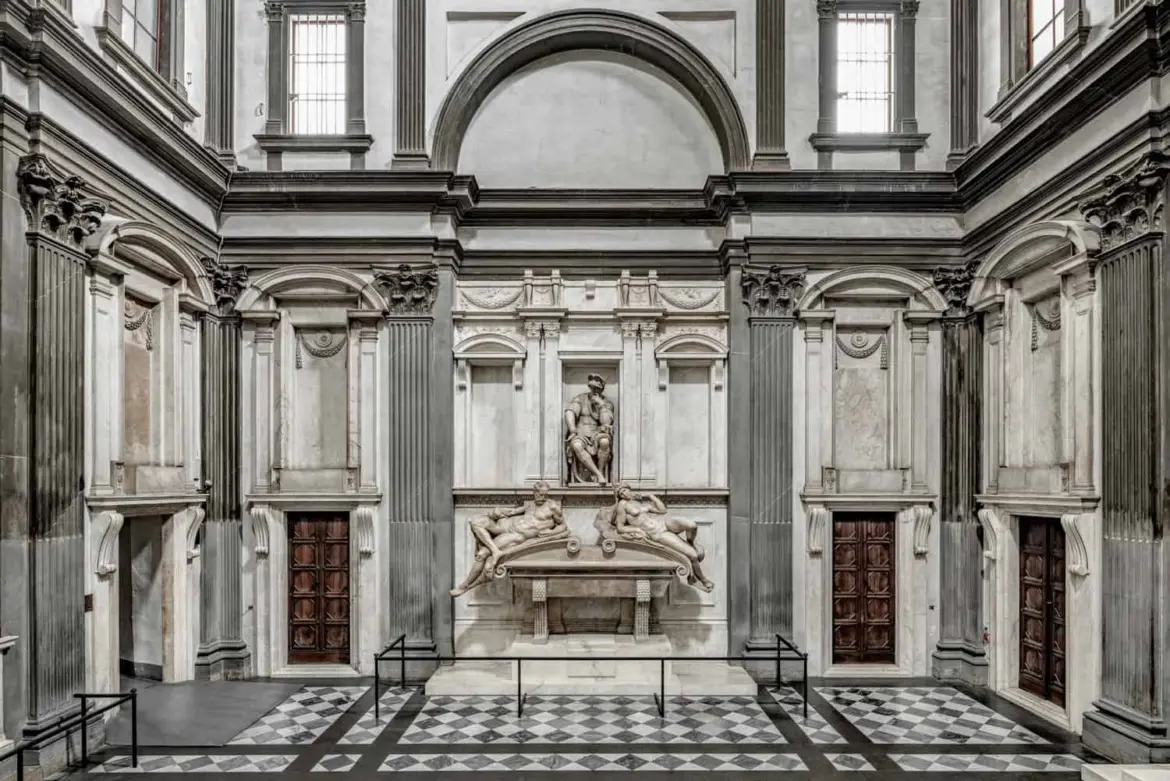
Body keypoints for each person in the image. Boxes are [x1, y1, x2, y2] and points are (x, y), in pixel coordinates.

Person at [450, 481, 567, 596]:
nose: (542, 497)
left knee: (482, 554)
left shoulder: (552, 507)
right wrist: (496, 512)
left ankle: (464, 586)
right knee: (476, 522)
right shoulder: (531, 504)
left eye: (544, 494)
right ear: (534, 492)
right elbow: (512, 512)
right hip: (505, 526)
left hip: (515, 535)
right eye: (539, 494)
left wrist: (551, 532)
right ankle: (495, 551)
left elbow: (564, 526)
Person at [611, 482, 714, 592]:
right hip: (658, 533)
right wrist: (637, 529)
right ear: (619, 496)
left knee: (692, 525)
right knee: (693, 556)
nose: (624, 494)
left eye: (625, 490)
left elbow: (662, 510)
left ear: (629, 489)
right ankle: (702, 579)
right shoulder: (622, 505)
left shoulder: (638, 502)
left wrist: (652, 497)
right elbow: (620, 527)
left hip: (663, 522)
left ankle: (691, 542)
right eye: (621, 493)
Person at [564, 373, 615, 484]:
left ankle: (600, 471)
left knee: (605, 442)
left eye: (597, 388)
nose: (594, 391)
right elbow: (570, 412)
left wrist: (601, 405)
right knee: (576, 446)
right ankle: (598, 474)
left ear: (601, 389)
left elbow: (606, 422)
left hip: (597, 434)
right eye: (592, 387)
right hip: (581, 433)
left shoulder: (607, 403)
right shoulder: (580, 399)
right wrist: (572, 429)